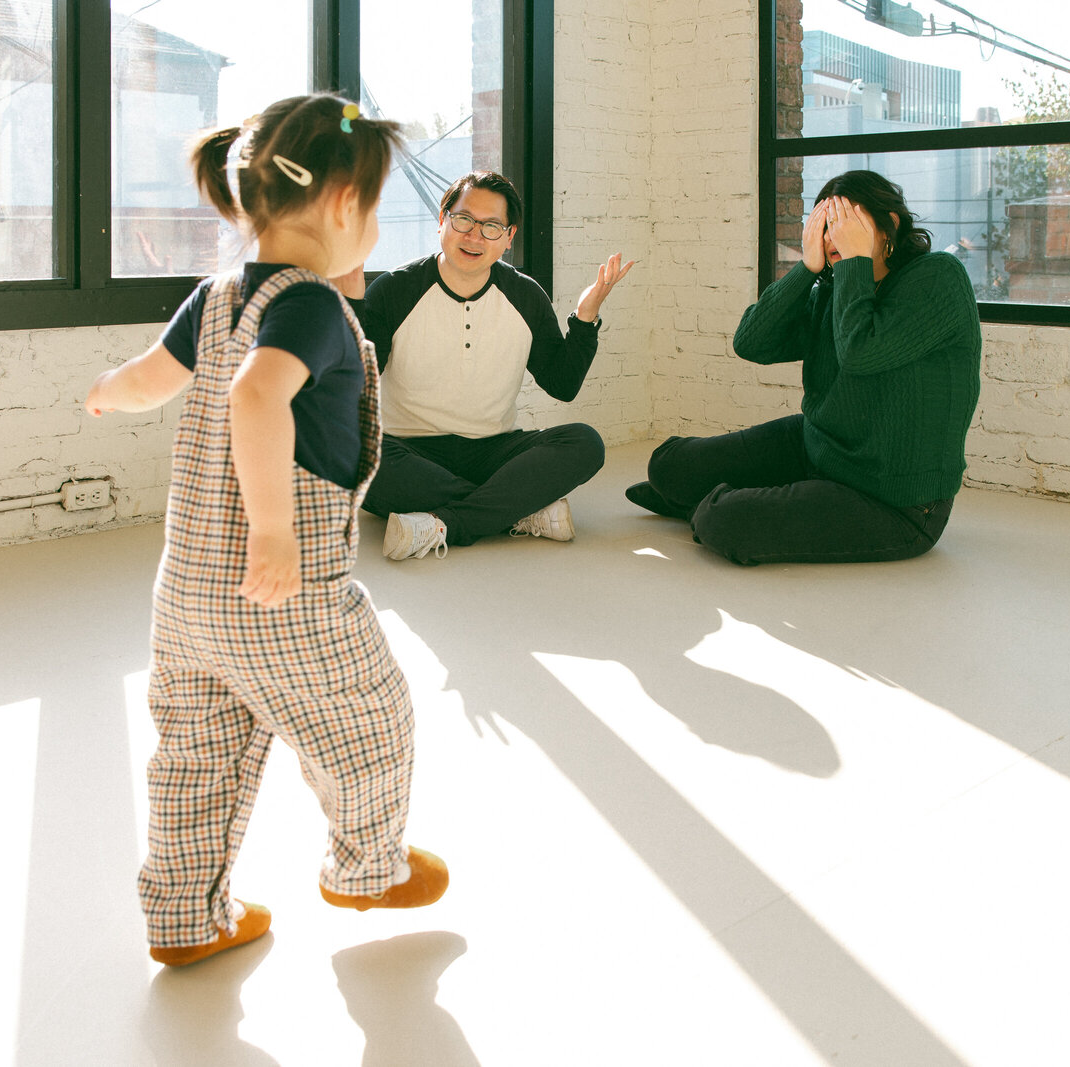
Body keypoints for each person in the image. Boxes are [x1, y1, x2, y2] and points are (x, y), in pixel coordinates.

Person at [85, 94, 447, 968]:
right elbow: (257, 393)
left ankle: (184, 918)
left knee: (194, 759)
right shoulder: (313, 307)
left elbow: (145, 380)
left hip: (186, 603)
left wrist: (103, 392)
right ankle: (367, 866)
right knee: (369, 719)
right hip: (286, 598)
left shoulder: (213, 298)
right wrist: (275, 532)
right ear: (340, 206)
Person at [626, 170, 981, 565]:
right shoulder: (834, 289)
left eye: (848, 225)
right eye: (825, 227)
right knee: (668, 465)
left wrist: (853, 264)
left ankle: (707, 505)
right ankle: (703, 496)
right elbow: (751, 343)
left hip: (894, 502)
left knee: (721, 520)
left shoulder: (938, 278)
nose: (834, 238)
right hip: (816, 449)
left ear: (889, 227)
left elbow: (860, 352)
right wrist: (806, 270)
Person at [348, 170, 635, 561]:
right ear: (442, 220)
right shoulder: (395, 289)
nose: (474, 236)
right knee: (354, 454)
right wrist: (349, 301)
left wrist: (585, 317)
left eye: (491, 227)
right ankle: (520, 510)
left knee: (584, 442)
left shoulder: (525, 295)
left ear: (509, 236)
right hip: (409, 453)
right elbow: (355, 384)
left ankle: (447, 523)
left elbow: (562, 384)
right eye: (464, 219)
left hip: (494, 451)